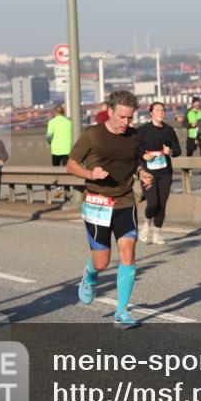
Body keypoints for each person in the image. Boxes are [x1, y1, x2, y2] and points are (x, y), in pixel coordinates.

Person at [67, 90, 154, 329]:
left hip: (125, 201)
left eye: (130, 118)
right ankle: (91, 274)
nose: (127, 123)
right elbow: (71, 164)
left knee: (128, 251)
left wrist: (142, 172)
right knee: (102, 262)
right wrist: (90, 174)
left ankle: (122, 312)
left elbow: (135, 161)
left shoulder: (134, 136)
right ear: (109, 111)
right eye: (123, 117)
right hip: (97, 203)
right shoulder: (92, 135)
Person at [137, 101, 181, 245]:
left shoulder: (169, 130)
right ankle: (146, 223)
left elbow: (178, 150)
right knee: (153, 203)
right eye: (157, 110)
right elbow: (134, 148)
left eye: (162, 110)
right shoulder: (143, 130)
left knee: (162, 204)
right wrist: (144, 155)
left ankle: (157, 234)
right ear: (151, 113)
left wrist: (171, 151)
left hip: (165, 171)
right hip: (148, 172)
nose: (161, 112)